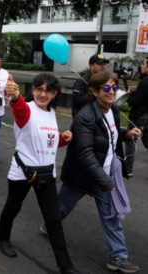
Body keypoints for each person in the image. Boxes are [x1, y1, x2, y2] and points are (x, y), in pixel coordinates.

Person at [0, 74, 80, 274]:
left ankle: (65, 266)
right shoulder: (27, 109)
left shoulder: (51, 112)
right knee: (12, 208)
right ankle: (2, 238)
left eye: (48, 90)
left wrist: (63, 138)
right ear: (32, 90)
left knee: (53, 219)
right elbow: (19, 108)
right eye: (39, 89)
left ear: (54, 94)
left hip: (46, 173)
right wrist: (15, 96)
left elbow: (47, 140)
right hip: (23, 171)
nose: (43, 94)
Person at [58, 71, 141, 273]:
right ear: (94, 92)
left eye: (114, 87)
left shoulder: (111, 110)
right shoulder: (85, 117)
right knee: (59, 208)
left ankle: (117, 256)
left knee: (111, 217)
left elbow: (109, 135)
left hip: (104, 173)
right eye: (106, 88)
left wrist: (127, 134)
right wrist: (104, 180)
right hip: (83, 174)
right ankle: (50, 224)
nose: (111, 92)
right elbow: (85, 153)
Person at [125, 57, 148, 177]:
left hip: (138, 117)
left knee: (130, 141)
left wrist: (129, 96)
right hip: (146, 117)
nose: (141, 66)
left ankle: (128, 170)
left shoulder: (144, 82)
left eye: (144, 64)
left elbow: (135, 101)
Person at [71, 53, 109, 118]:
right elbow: (76, 101)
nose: (103, 66)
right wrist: (90, 94)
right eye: (100, 64)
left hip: (100, 118)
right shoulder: (82, 81)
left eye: (104, 64)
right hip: (84, 119)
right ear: (91, 65)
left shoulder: (105, 81)